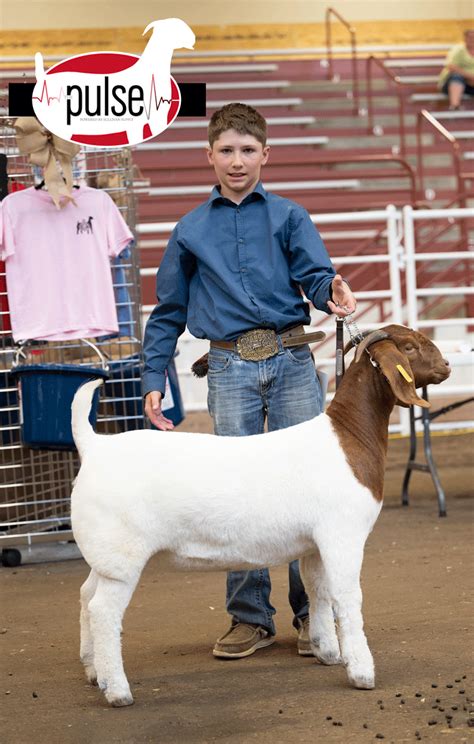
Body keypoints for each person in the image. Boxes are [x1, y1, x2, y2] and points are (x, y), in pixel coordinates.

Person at [142, 102, 357, 659]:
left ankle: (314, 613)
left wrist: (330, 290)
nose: (237, 161)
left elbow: (314, 276)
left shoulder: (290, 216)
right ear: (209, 155)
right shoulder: (189, 230)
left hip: (290, 360)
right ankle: (249, 617)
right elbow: (168, 310)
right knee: (236, 492)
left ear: (266, 154)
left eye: (248, 150)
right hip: (230, 367)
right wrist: (153, 379)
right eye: (226, 150)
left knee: (306, 488)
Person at [438, 29, 474, 110]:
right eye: (470, 37)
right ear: (465, 38)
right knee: (456, 77)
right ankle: (455, 105)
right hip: (454, 83)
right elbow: (451, 67)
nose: (472, 39)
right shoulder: (458, 50)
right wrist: (470, 77)